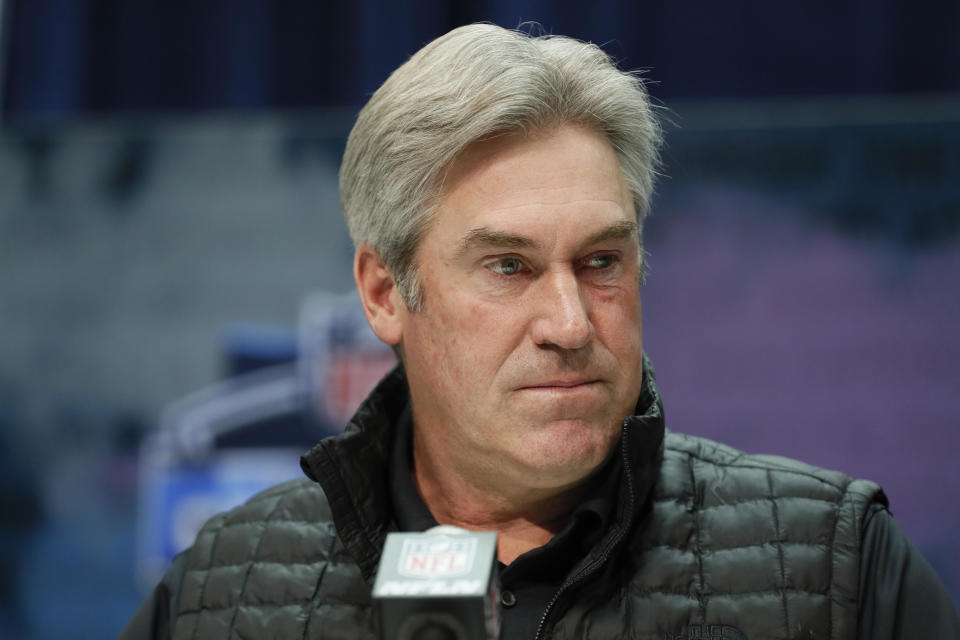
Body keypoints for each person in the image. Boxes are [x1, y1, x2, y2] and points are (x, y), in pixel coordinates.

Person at [120, 23, 959, 640]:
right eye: (509, 267)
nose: (568, 323)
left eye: (600, 262)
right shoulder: (222, 593)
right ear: (384, 293)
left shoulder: (837, 572)